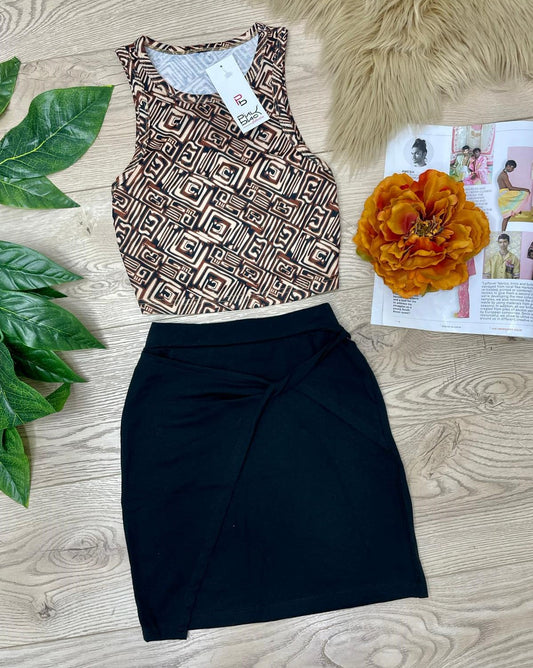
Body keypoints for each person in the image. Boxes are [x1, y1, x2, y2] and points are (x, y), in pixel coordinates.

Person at [497, 159, 531, 231]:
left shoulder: (503, 174)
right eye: (512, 168)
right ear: (508, 166)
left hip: (503, 194)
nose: (512, 170)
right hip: (505, 195)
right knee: (523, 193)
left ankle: (503, 232)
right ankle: (502, 232)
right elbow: (510, 188)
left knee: (507, 216)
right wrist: (525, 189)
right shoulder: (503, 175)